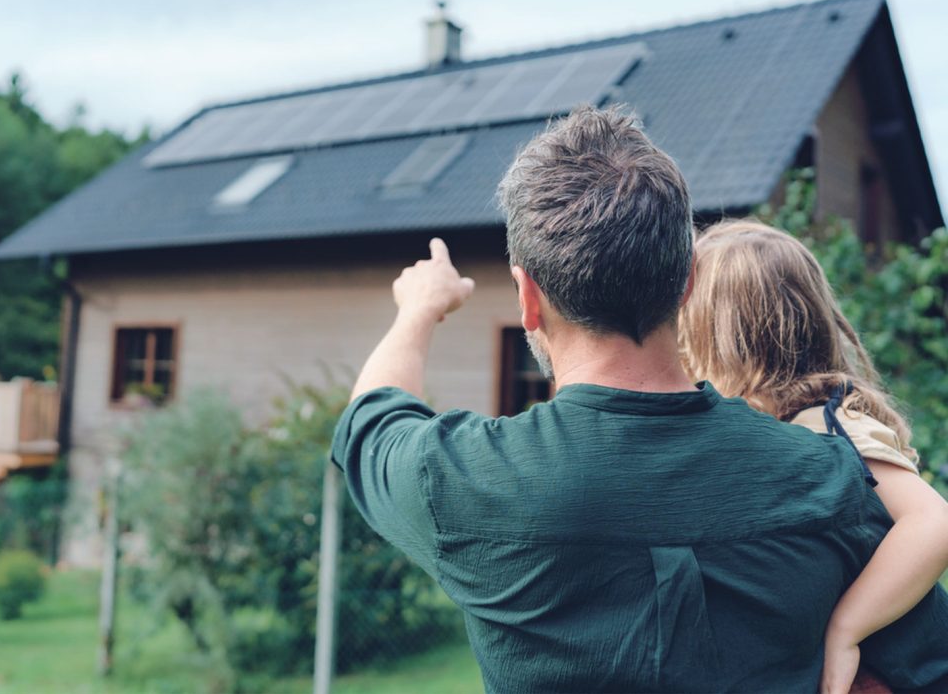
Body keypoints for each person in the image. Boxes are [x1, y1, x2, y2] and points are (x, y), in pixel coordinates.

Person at [331, 106, 948, 693]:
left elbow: (373, 415)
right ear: (684, 283)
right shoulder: (829, 477)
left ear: (528, 298)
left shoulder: (463, 480)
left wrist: (420, 308)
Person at [678, 218, 948, 694]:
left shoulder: (827, 425)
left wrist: (846, 630)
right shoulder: (778, 429)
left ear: (724, 340)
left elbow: (933, 522)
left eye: (686, 328)